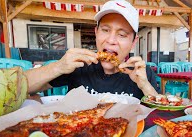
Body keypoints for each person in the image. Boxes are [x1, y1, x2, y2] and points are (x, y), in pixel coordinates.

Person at [25, 0, 158, 99]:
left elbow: (162, 118)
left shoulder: (143, 73)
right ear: (96, 32)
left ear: (134, 42)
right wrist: (58, 67)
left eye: (122, 35)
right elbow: (22, 87)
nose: (111, 40)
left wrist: (145, 87)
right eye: (105, 30)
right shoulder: (79, 65)